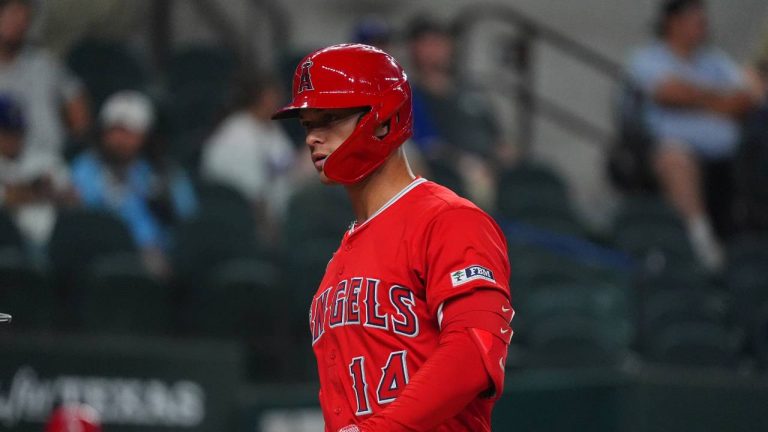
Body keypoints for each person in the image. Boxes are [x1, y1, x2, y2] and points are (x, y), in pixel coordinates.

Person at [272, 44, 513, 432]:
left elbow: (475, 351)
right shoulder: (339, 258)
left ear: (383, 120)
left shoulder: (448, 220)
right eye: (307, 125)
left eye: (329, 119)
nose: (312, 138)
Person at [626, 0, 758, 271]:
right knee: (675, 158)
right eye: (696, 20)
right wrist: (719, 101)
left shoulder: (714, 60)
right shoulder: (649, 57)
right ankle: (701, 242)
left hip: (730, 154)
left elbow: (746, 98)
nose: (703, 27)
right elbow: (669, 93)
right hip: (669, 152)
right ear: (673, 22)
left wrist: (697, 97)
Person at [70, 90, 196, 276]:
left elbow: (187, 219)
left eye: (128, 132)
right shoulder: (85, 168)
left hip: (160, 258)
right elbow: (82, 218)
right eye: (113, 130)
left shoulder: (164, 172)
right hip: (102, 258)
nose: (119, 140)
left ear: (145, 135)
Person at [406, 15, 515, 208]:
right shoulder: (412, 97)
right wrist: (464, 163)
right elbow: (427, 145)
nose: (435, 50)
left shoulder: (471, 91)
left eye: (439, 42)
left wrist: (503, 157)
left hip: (494, 167)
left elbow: (498, 137)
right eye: (427, 43)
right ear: (414, 49)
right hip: (453, 172)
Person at [200, 74, 298, 233]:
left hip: (282, 214)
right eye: (275, 95)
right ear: (260, 98)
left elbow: (286, 165)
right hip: (245, 223)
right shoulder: (236, 135)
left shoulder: (271, 127)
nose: (281, 100)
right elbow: (251, 197)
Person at [0, 0, 90, 158]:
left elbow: (77, 103)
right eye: (13, 16)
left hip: (48, 161)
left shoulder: (44, 63)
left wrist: (77, 145)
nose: (19, 24)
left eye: (25, 18)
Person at [0, 94, 73, 251]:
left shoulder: (45, 158)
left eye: (17, 130)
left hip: (53, 243)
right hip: (8, 244)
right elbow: (6, 198)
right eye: (6, 131)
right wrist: (37, 189)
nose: (13, 138)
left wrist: (23, 192)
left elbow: (71, 197)